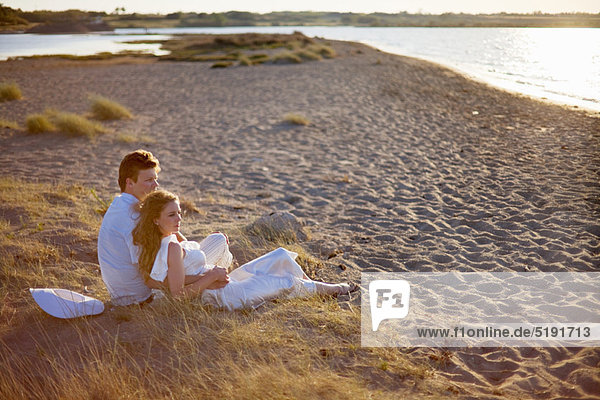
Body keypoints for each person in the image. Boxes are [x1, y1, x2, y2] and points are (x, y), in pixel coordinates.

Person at [132, 190, 353, 310]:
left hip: (222, 283)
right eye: (172, 215)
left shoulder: (169, 238)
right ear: (155, 220)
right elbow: (178, 296)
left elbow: (173, 279)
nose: (179, 218)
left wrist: (209, 275)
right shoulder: (170, 248)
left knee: (279, 256)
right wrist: (210, 277)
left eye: (179, 212)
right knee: (286, 282)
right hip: (225, 296)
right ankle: (335, 289)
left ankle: (310, 290)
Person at [98, 150, 232, 306]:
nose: (155, 185)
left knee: (206, 248)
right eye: (148, 180)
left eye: (155, 179)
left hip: (123, 295)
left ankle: (219, 280)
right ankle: (218, 287)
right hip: (144, 298)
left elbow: (174, 243)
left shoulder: (120, 205)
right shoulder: (134, 218)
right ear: (130, 182)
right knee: (219, 242)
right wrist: (207, 278)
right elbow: (152, 277)